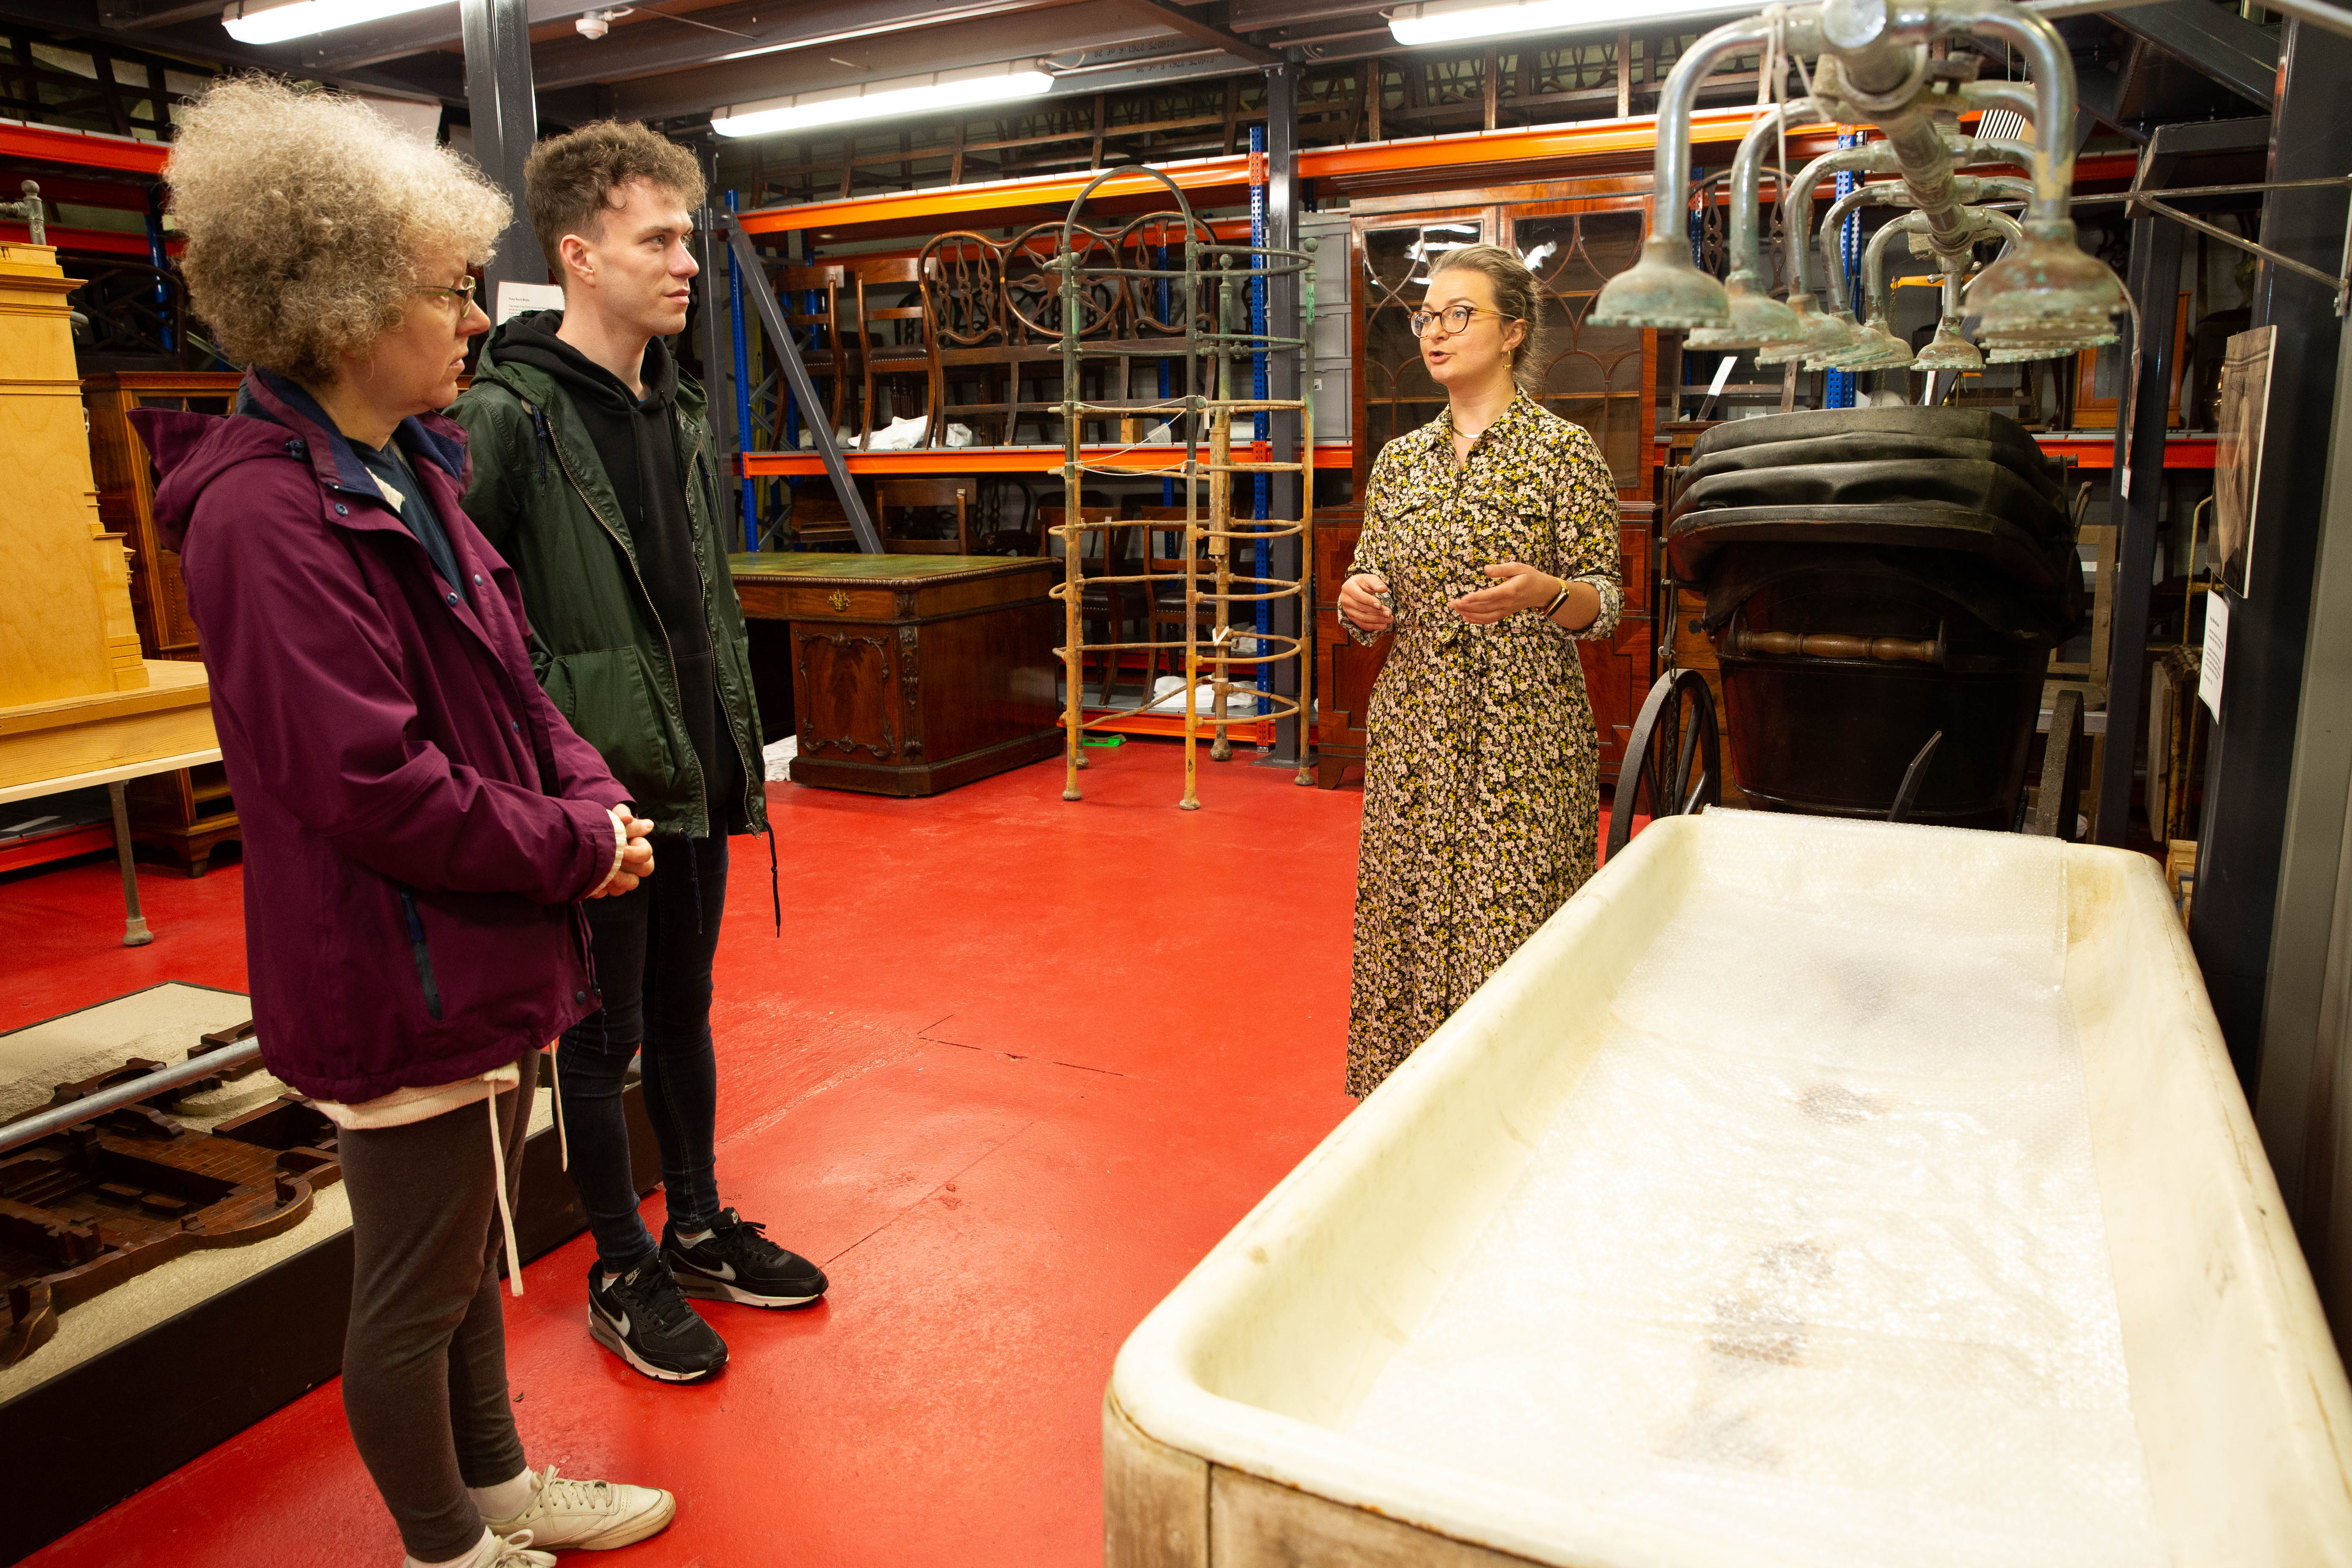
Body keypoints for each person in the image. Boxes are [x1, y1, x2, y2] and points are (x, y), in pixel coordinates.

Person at [137, 79, 674, 1568]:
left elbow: (514, 682)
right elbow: (368, 781)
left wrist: (592, 798)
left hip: (477, 939)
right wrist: (577, 846)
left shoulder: (407, 467)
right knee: (415, 1283)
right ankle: (445, 1541)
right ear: (338, 305)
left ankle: (495, 1487)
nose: (469, 320)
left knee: (465, 1251)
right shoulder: (265, 513)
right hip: (396, 961)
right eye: (446, 291)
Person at [450, 121, 823, 1386]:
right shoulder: (504, 417)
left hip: (702, 767)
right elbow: (474, 625)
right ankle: (622, 1262)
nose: (685, 264)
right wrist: (564, 759)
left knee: (684, 1013)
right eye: (658, 239)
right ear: (578, 254)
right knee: (600, 1040)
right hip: (599, 793)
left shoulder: (678, 406)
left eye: (690, 237)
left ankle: (701, 1222)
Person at [1334, 244, 1622, 1099]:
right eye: (1426, 316)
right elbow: (1365, 591)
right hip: (1414, 730)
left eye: (1460, 313)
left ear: (1512, 333)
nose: (1435, 331)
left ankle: (1514, 1107)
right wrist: (1358, 602)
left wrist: (1546, 593)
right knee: (1410, 919)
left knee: (1514, 927)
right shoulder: (1398, 462)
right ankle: (1410, 1110)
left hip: (1522, 738)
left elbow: (1603, 603)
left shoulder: (1563, 454)